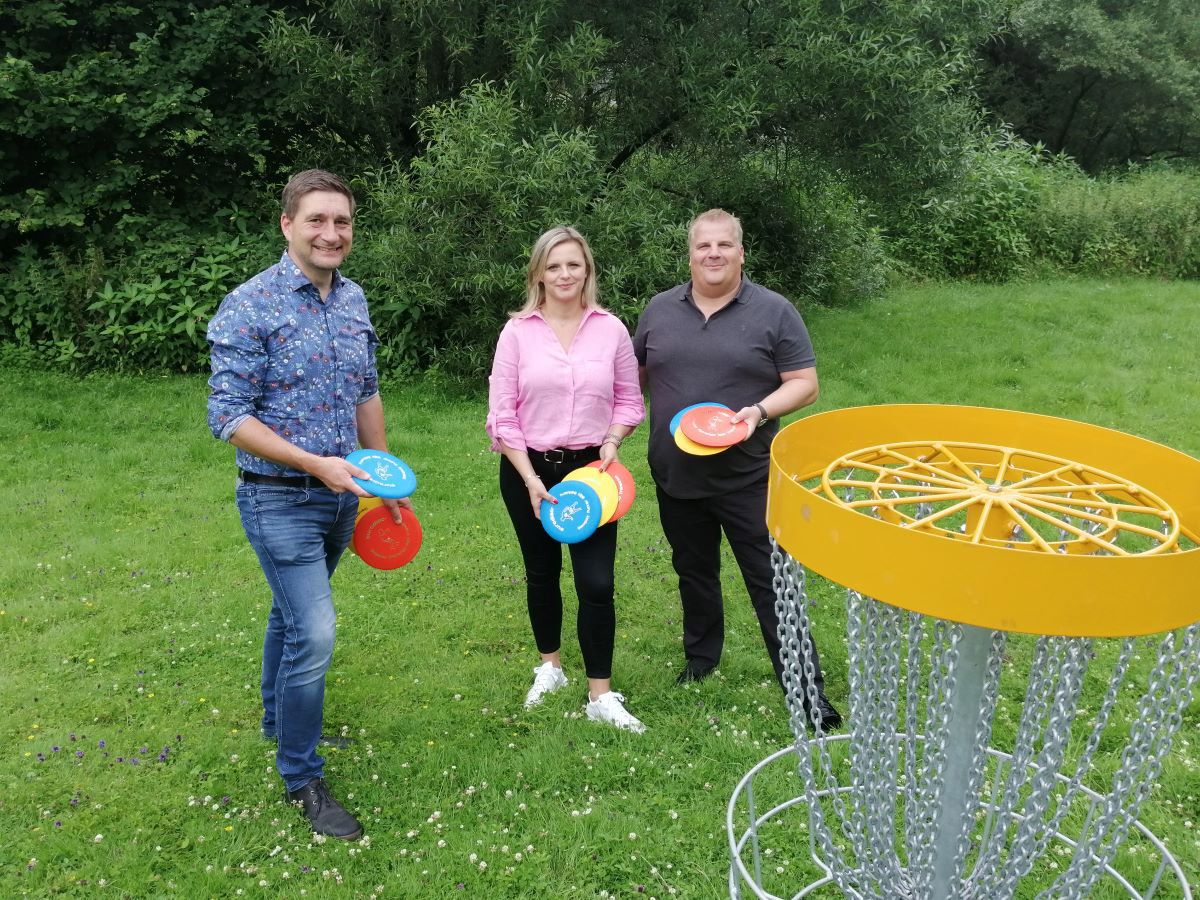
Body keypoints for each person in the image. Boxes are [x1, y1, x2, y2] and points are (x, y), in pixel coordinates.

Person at [206, 169, 411, 840]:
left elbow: (367, 390)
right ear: (287, 225)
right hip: (279, 499)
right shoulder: (249, 305)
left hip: (345, 501)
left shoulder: (353, 301)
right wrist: (315, 464)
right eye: (318, 220)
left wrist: (383, 485)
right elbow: (229, 415)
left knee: (292, 614)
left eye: (343, 222)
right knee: (315, 632)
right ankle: (301, 775)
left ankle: (277, 719)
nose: (332, 233)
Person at [632, 208, 842, 728]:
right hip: (677, 477)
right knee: (693, 573)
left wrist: (760, 411)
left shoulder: (773, 311)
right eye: (704, 246)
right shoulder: (659, 310)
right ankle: (701, 660)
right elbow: (632, 379)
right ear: (690, 253)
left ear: (741, 252)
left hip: (749, 478)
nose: (714, 255)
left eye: (724, 245)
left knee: (774, 583)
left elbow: (804, 383)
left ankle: (807, 695)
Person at [486, 226, 647, 733]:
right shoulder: (517, 333)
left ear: (588, 271)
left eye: (573, 264)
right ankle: (550, 666)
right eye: (553, 265)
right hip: (527, 470)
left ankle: (600, 694)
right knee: (541, 572)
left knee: (597, 582)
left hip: (592, 475)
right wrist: (531, 478)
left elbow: (629, 400)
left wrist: (613, 440)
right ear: (538, 273)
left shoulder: (612, 330)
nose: (564, 274)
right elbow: (501, 416)